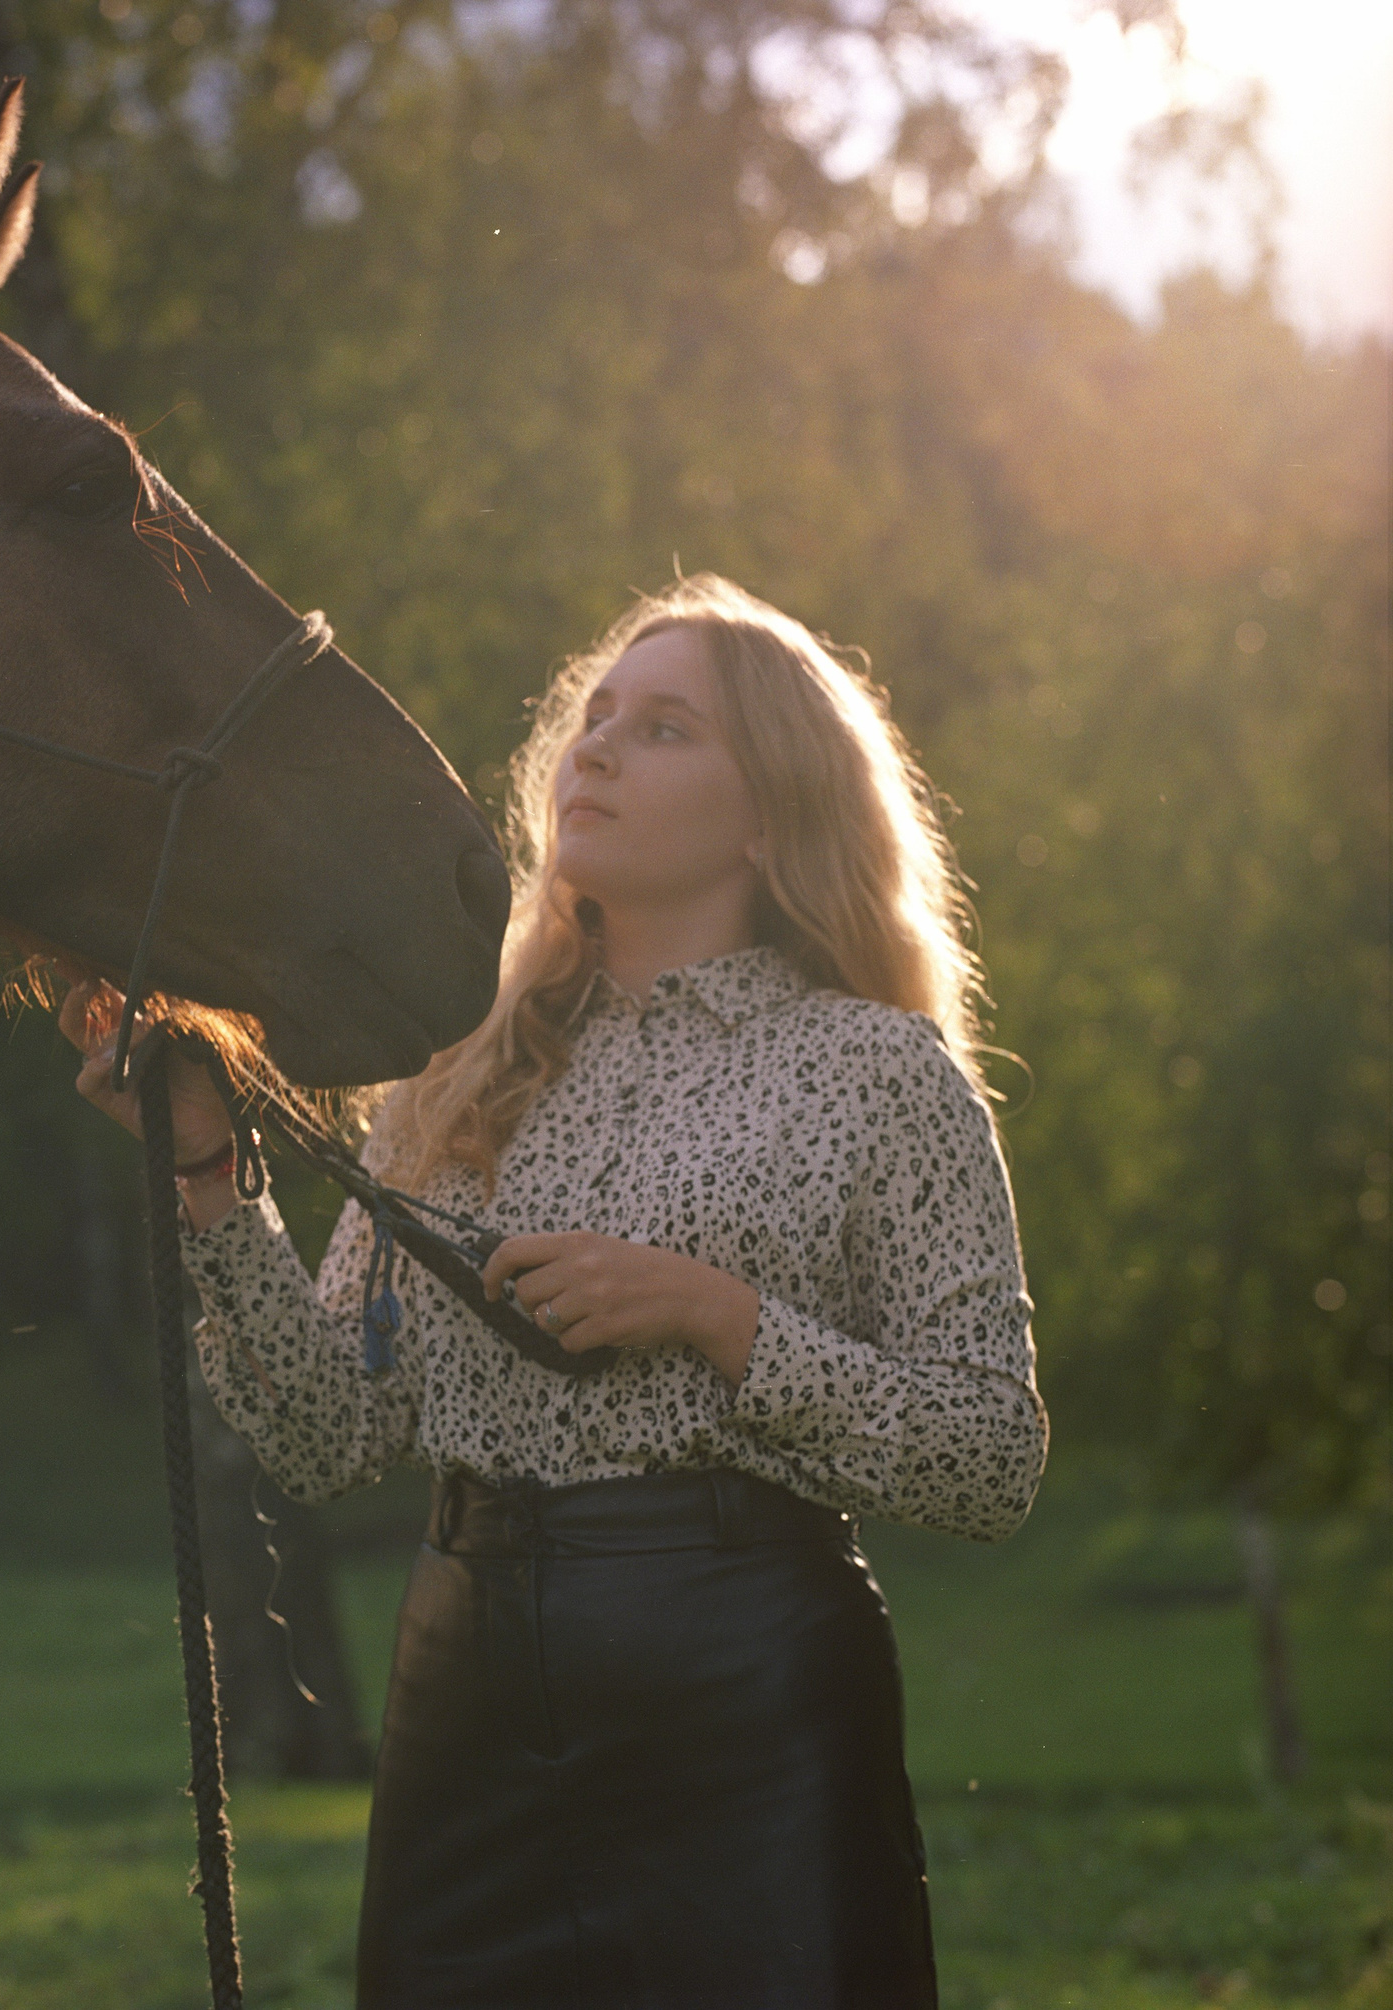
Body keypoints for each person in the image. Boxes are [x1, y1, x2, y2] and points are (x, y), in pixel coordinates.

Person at [62, 574, 1045, 2007]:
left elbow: (990, 1456)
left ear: (771, 813)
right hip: (465, 1705)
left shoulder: (878, 1070)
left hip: (746, 1705)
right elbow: (329, 1434)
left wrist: (716, 1315)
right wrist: (213, 1175)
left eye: (664, 728)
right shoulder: (454, 1070)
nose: (596, 748)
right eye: (596, 717)